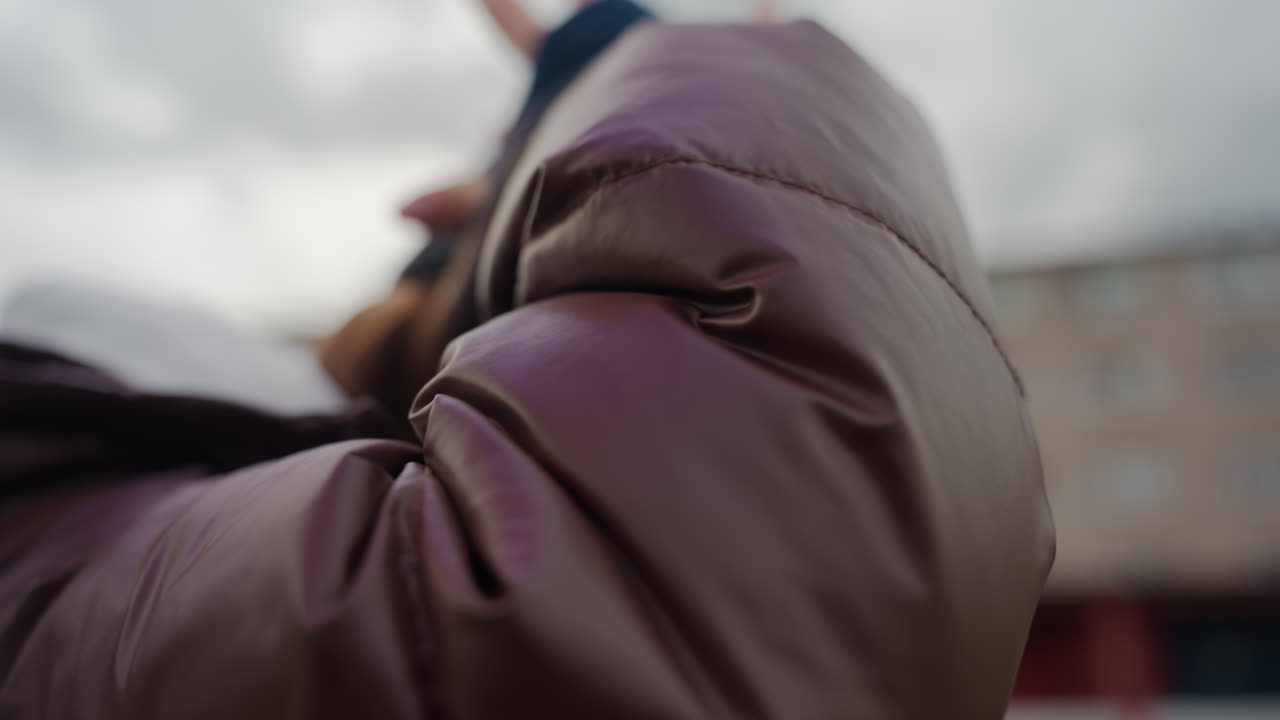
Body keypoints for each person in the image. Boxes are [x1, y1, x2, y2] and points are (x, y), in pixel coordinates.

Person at [0, 2, 1054, 718]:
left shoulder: (91, 524)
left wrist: (500, 243)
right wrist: (622, 79)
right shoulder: (49, 517)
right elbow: (760, 595)